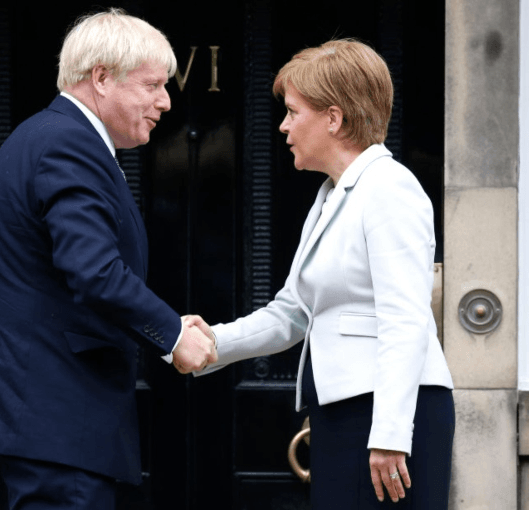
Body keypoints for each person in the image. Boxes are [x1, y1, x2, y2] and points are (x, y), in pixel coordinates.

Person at [0, 9, 217, 510]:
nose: (165, 101)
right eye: (153, 85)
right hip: (57, 426)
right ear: (101, 77)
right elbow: (94, 271)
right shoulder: (68, 144)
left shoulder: (48, 136)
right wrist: (172, 335)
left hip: (42, 424)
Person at [188, 39, 454, 509]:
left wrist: (390, 433)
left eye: (293, 112)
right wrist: (212, 343)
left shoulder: (389, 188)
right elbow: (293, 312)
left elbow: (405, 318)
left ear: (333, 118)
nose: (283, 125)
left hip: (386, 418)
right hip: (344, 415)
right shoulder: (333, 195)